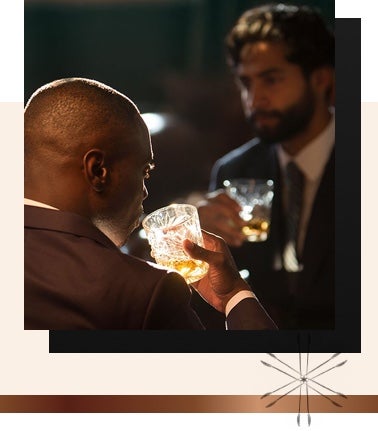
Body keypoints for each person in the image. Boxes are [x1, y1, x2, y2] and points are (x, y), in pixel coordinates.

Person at [24, 77, 276, 330]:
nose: (144, 192)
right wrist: (234, 294)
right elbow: (263, 369)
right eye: (144, 172)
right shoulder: (147, 291)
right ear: (98, 170)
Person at [193, 3, 335, 329]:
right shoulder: (234, 170)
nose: (254, 100)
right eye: (246, 83)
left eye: (271, 80)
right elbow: (226, 292)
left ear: (320, 79)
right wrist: (200, 241)